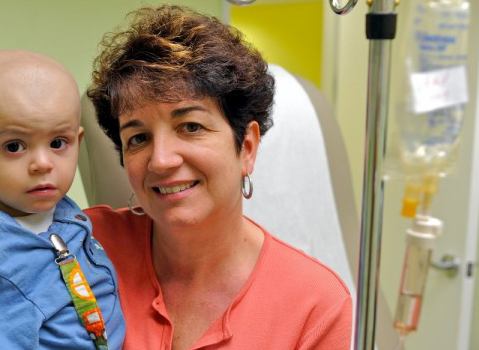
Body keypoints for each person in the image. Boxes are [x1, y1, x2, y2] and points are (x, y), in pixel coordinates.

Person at [85, 5, 351, 350]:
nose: (161, 160)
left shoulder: (316, 307)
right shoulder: (84, 245)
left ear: (247, 147)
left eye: (190, 126)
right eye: (138, 138)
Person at [0, 50, 125, 350]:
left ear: (77, 143)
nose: (42, 163)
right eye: (14, 146)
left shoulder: (64, 213)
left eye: (57, 143)